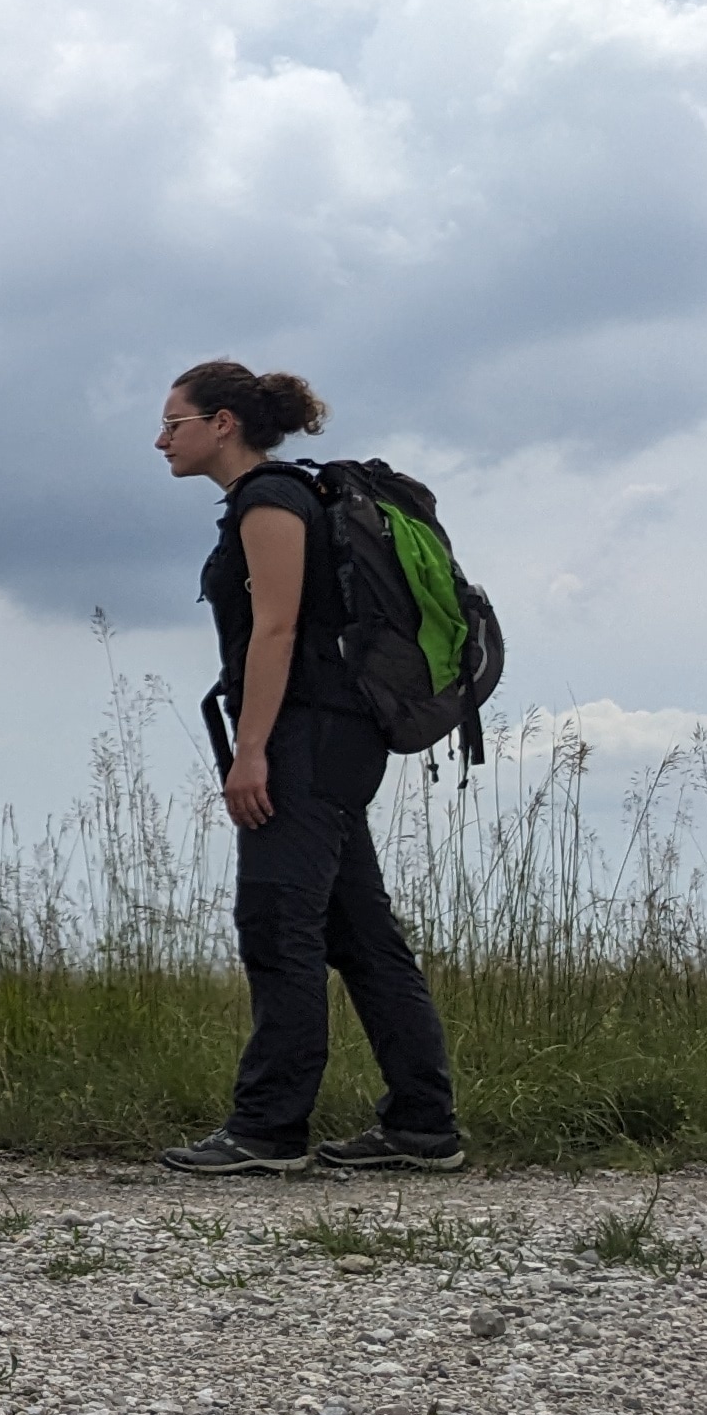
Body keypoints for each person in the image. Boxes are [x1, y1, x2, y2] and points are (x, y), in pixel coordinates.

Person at [152, 362, 465, 1175]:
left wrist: (250, 750)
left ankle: (268, 1129)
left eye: (173, 423)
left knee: (277, 924)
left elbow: (278, 630)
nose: (161, 440)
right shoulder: (289, 497)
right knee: (358, 932)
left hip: (309, 736)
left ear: (223, 422)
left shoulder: (270, 500)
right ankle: (423, 1126)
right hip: (331, 735)